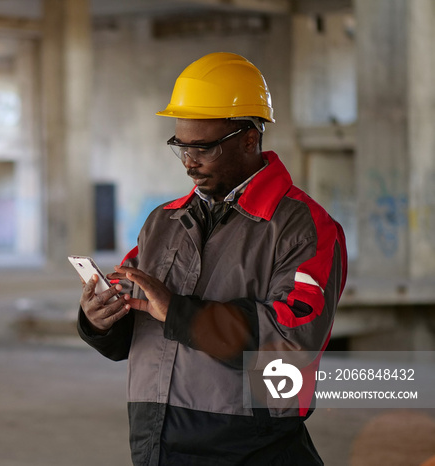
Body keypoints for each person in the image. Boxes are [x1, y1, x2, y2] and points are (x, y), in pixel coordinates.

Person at [77, 52, 348, 465]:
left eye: (203, 148)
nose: (189, 162)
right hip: (156, 443)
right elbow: (133, 323)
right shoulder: (162, 222)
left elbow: (294, 343)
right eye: (180, 147)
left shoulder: (303, 227)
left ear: (248, 140)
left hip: (250, 450)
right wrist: (99, 320)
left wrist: (182, 314)